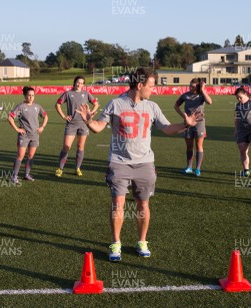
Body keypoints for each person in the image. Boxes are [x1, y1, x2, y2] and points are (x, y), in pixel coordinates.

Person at [75, 68, 201, 262]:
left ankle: (142, 241)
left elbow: (167, 129)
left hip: (145, 163)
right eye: (151, 86)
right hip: (119, 162)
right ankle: (115, 243)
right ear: (140, 85)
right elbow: (99, 127)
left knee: (143, 203)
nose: (153, 89)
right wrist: (89, 121)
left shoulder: (152, 106)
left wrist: (187, 125)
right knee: (118, 204)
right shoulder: (116, 104)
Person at [54, 76, 99, 177]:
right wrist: (64, 116)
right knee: (66, 147)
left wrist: (90, 113)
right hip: (71, 124)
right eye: (78, 82)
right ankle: (60, 168)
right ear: (74, 83)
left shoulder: (86, 94)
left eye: (82, 83)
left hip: (83, 125)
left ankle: (77, 168)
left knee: (80, 146)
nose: (79, 84)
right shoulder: (68, 94)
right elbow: (57, 105)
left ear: (83, 85)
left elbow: (95, 104)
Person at [8, 86, 48, 183]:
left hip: (35, 135)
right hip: (24, 136)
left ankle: (27, 174)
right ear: (25, 95)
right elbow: (10, 117)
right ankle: (14, 176)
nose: (31, 97)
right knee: (20, 156)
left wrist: (42, 127)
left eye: (33, 95)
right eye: (29, 95)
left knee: (30, 155)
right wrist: (17, 129)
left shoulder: (37, 106)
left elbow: (46, 116)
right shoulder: (21, 106)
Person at [174, 78, 212, 177]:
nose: (190, 88)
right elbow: (176, 106)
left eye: (193, 86)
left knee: (199, 146)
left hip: (199, 123)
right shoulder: (185, 95)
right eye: (190, 85)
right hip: (187, 124)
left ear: (198, 87)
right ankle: (189, 167)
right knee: (189, 146)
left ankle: (198, 169)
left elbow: (210, 102)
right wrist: (184, 117)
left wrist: (203, 90)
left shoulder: (201, 95)